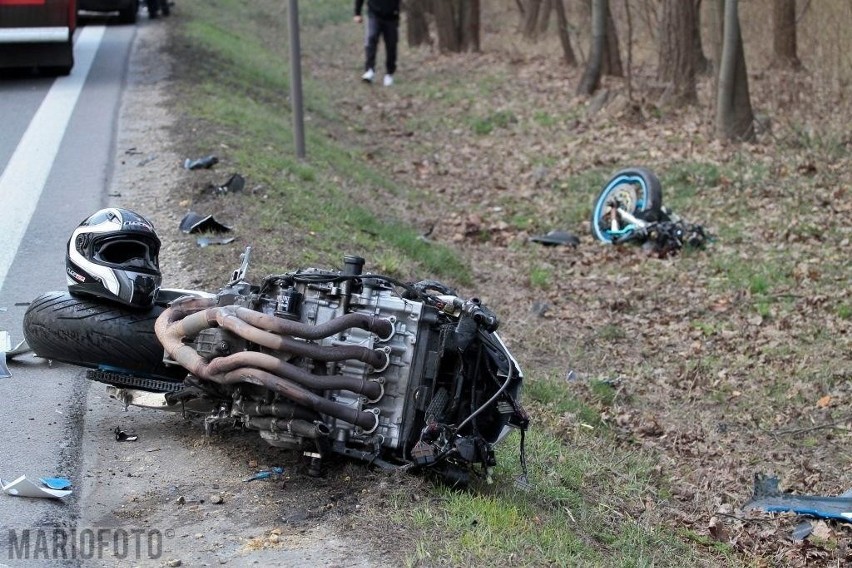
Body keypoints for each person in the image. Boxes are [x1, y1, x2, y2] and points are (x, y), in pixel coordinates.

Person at [353, 0, 400, 87]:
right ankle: (369, 70)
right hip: (374, 13)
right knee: (372, 38)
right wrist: (357, 13)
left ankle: (389, 73)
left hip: (392, 16)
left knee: (391, 44)